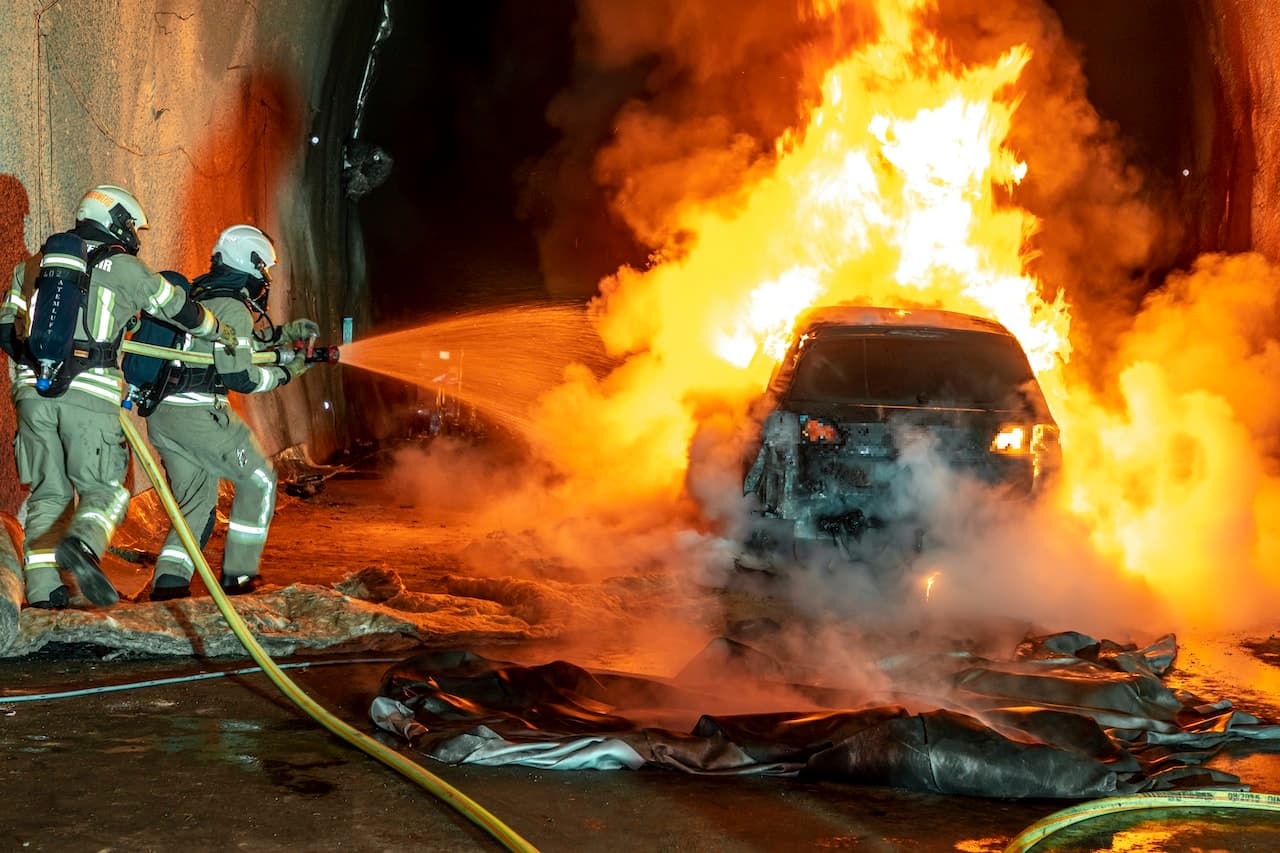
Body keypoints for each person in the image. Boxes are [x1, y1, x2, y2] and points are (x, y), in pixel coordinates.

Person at [0, 185, 237, 608]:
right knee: (107, 490)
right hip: (90, 394)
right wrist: (218, 330)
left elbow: (5, 331)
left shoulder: (31, 267)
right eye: (132, 227)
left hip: (30, 395)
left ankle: (43, 592)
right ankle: (85, 546)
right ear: (117, 222)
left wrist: (42, 368)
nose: (135, 236)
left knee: (48, 494)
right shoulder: (124, 268)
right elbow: (176, 307)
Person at [140, 224, 316, 601]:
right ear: (252, 267)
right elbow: (240, 375)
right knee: (259, 479)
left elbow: (235, 342)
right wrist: (287, 372)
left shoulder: (200, 295)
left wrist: (285, 335)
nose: (264, 283)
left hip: (163, 415)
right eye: (264, 272)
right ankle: (239, 577)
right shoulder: (234, 307)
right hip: (199, 415)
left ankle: (169, 587)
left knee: (197, 504)